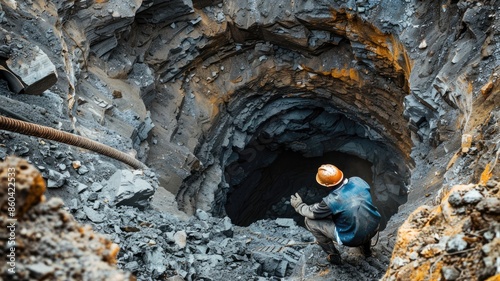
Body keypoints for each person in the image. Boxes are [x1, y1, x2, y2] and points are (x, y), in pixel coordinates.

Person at [290, 164, 381, 265]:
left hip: (352, 239)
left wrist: (299, 206)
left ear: (327, 185)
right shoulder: (358, 181)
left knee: (309, 221)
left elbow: (312, 213)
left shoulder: (331, 201)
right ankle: (367, 251)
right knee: (359, 216)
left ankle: (333, 256)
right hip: (374, 227)